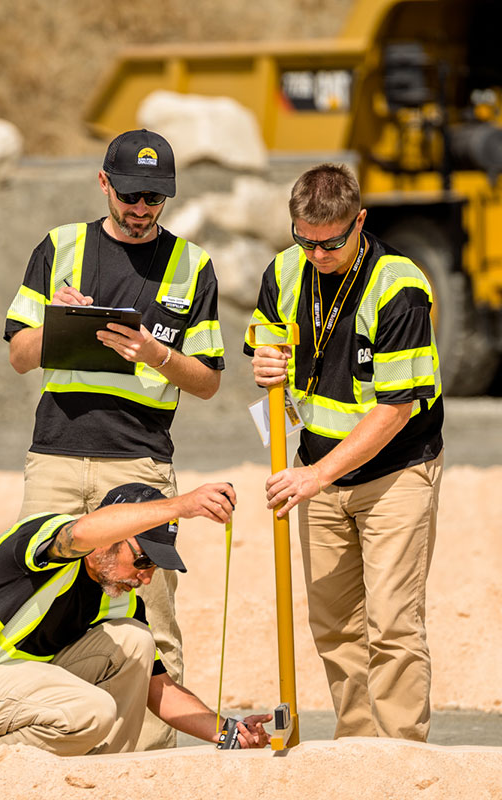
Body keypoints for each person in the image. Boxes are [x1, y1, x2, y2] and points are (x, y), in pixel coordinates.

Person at [4, 129, 225, 749]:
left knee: (152, 610)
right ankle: (39, 743)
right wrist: (59, 320)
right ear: (104, 183)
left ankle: (152, 759)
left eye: (154, 197)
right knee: (38, 598)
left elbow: (206, 381)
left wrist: (156, 353)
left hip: (142, 460)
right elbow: (20, 357)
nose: (141, 208)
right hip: (57, 455)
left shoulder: (193, 265)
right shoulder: (59, 247)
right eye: (130, 194)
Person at [244, 163, 444, 741]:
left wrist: (313, 476)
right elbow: (266, 337)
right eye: (304, 240)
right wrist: (263, 362)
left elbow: (395, 409)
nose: (317, 254)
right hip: (321, 473)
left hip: (394, 472)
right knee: (334, 624)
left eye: (331, 242)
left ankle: (401, 756)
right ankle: (358, 748)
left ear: (360, 221)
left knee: (391, 624)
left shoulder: (399, 286)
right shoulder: (285, 269)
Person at [0, 481, 269, 782]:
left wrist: (228, 732)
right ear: (108, 537)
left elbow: (161, 691)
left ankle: (97, 781)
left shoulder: (117, 600)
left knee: (136, 641)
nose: (146, 577)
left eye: (155, 567)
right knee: (91, 710)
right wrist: (182, 504)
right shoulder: (44, 541)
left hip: (14, 696)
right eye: (143, 560)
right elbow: (81, 532)